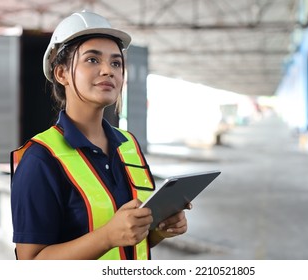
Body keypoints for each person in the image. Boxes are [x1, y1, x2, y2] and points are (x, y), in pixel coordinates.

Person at [10, 10, 190, 260]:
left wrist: (159, 230)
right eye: (93, 60)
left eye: (116, 63)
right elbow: (30, 265)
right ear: (62, 74)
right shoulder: (40, 158)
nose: (108, 70)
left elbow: (128, 243)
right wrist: (107, 236)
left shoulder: (128, 145)